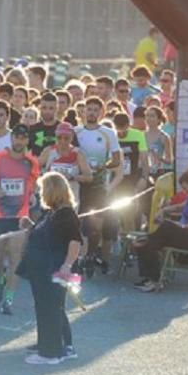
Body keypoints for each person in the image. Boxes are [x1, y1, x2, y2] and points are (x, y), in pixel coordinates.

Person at [19, 172, 83, 364]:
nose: (39, 194)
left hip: (54, 267)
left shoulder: (66, 214)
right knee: (51, 306)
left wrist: (67, 265)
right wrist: (30, 226)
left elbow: (75, 242)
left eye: (42, 189)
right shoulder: (51, 212)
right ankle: (58, 344)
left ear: (52, 190)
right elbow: (44, 234)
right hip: (41, 267)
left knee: (50, 307)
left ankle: (51, 352)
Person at [133, 165, 188, 291]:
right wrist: (164, 209)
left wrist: (182, 226)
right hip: (184, 235)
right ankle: (152, 279)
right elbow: (178, 207)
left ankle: (154, 277)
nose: (185, 192)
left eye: (186, 189)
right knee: (150, 244)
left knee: (164, 227)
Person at [0, 124, 40, 315]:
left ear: (27, 140)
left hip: (20, 215)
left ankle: (8, 299)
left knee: (15, 257)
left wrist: (33, 194)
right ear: (12, 139)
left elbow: (33, 183)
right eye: (16, 137)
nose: (19, 141)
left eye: (23, 138)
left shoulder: (31, 161)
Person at [74, 97, 122, 268]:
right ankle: (78, 257)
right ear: (83, 111)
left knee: (96, 224)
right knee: (77, 222)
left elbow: (117, 160)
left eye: (95, 110)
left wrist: (103, 166)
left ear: (101, 113)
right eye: (89, 109)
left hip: (99, 184)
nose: (92, 113)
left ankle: (92, 253)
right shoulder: (76, 132)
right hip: (78, 183)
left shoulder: (108, 133)